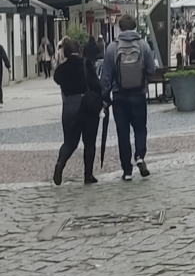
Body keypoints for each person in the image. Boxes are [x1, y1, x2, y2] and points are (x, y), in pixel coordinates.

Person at [100, 14, 158, 181]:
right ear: (134, 27)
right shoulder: (143, 44)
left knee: (122, 133)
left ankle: (126, 170)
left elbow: (106, 76)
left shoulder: (112, 47)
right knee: (140, 128)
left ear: (120, 28)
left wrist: (104, 95)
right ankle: (140, 155)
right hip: (138, 94)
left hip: (119, 96)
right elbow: (152, 69)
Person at [52, 39, 102, 185]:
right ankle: (88, 175)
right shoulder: (86, 64)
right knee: (89, 142)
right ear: (79, 50)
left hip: (69, 106)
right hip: (87, 106)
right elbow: (95, 84)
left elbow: (58, 80)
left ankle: (60, 164)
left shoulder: (61, 69)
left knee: (69, 142)